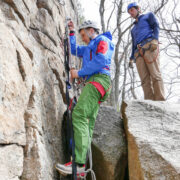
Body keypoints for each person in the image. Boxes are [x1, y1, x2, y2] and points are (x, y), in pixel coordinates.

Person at [55, 20, 114, 176]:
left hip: (99, 80)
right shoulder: (89, 47)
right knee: (87, 123)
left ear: (91, 30)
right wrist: (72, 32)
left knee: (79, 114)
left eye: (83, 35)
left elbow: (101, 60)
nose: (83, 38)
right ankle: (81, 167)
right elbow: (74, 49)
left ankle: (79, 163)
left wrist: (79, 73)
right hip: (98, 83)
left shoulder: (102, 40)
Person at [128, 2, 165, 101]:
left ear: (138, 8)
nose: (130, 13)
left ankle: (160, 100)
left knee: (155, 74)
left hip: (149, 46)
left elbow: (156, 26)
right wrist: (131, 58)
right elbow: (133, 44)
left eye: (132, 10)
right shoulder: (133, 29)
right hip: (138, 53)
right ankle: (149, 102)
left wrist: (155, 40)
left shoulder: (148, 16)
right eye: (129, 12)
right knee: (144, 80)